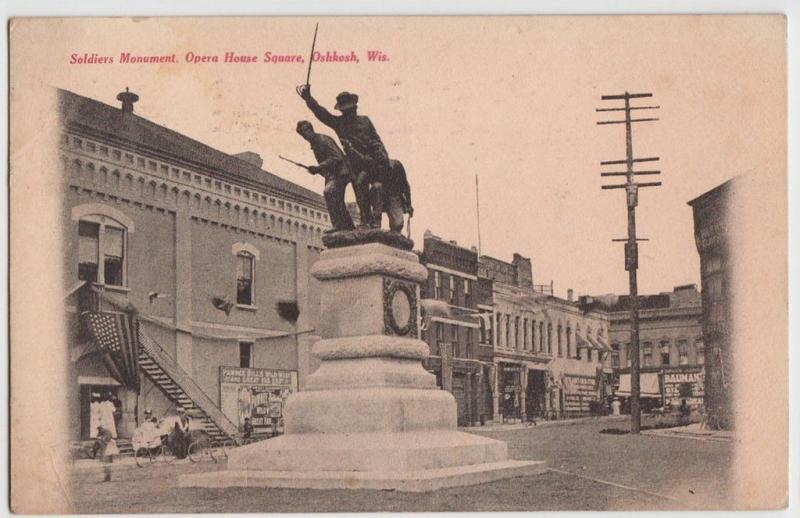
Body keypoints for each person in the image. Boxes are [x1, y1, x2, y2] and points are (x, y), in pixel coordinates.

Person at [296, 85, 390, 228]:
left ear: (355, 107)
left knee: (377, 189)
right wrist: (309, 99)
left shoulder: (365, 120)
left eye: (351, 109)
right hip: (355, 164)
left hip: (372, 161)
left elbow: (377, 140)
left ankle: (376, 221)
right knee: (360, 191)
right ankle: (366, 221)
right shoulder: (339, 123)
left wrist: (384, 159)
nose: (349, 112)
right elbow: (322, 114)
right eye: (345, 110)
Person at [295, 120, 355, 232]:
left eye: (304, 132)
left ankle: (338, 225)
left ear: (310, 129)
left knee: (329, 192)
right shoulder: (314, 143)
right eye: (302, 135)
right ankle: (347, 226)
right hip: (332, 174)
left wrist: (319, 167)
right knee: (336, 199)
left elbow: (337, 157)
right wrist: (316, 170)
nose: (304, 136)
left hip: (341, 172)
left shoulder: (323, 140)